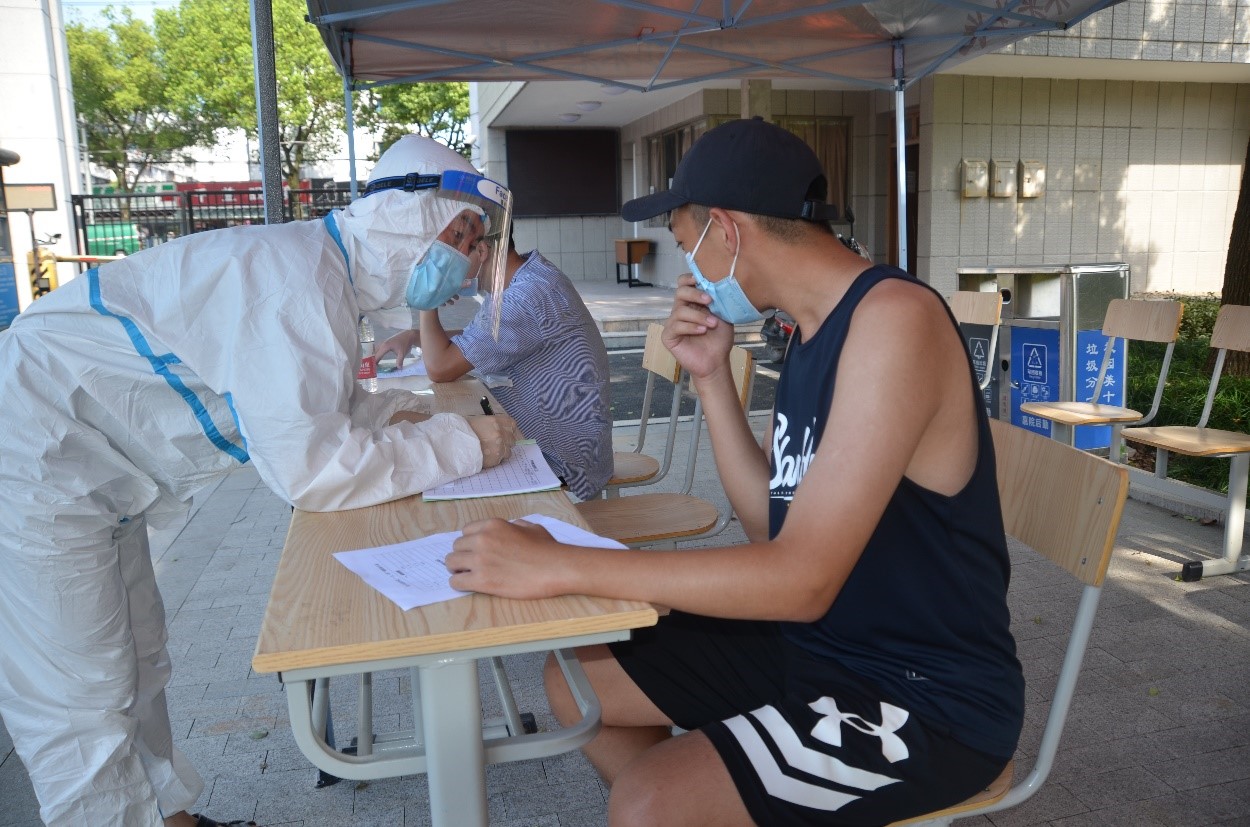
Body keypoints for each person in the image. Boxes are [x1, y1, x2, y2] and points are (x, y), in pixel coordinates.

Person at [445, 117, 1025, 826]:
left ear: (726, 229)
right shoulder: (813, 329)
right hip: (818, 643)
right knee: (582, 676)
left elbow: (801, 579)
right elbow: (769, 529)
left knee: (649, 803)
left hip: (923, 694)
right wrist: (712, 377)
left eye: (684, 243)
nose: (687, 269)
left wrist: (566, 564)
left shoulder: (893, 321)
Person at [0, 135, 520, 826]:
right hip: (35, 457)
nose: (470, 258)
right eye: (464, 237)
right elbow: (314, 469)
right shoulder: (295, 284)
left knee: (137, 659)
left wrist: (415, 415)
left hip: (89, 469)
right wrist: (458, 442)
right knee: (80, 698)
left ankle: (169, 819)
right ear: (413, 220)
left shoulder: (320, 273)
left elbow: (321, 406)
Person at [375, 230, 614, 500]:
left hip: (565, 462)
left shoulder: (525, 296)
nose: (441, 268)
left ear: (482, 250)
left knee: (427, 464)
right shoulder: (524, 277)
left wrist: (427, 300)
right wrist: (415, 336)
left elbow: (439, 368)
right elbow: (482, 339)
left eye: (446, 258)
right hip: (561, 444)